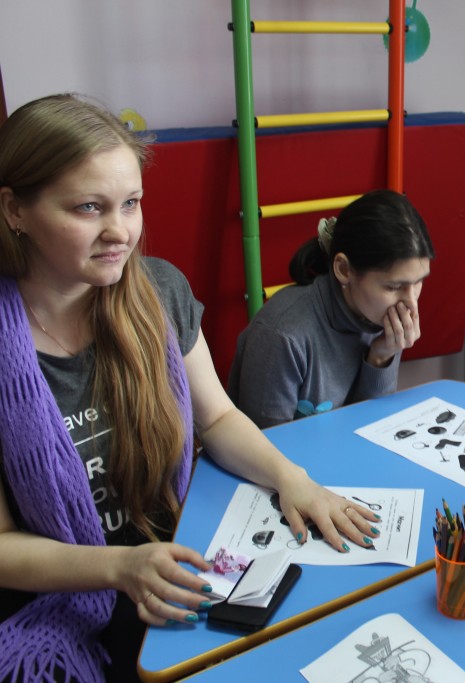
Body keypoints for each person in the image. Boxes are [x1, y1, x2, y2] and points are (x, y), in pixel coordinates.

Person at [0, 93, 381, 683]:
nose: (119, 231)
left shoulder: (159, 291)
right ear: (15, 210)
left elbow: (218, 419)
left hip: (172, 555)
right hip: (64, 595)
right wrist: (121, 567)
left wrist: (292, 479)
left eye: (131, 204)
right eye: (88, 208)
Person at [228, 189, 433, 428]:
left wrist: (381, 357)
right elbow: (266, 446)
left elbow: (372, 428)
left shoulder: (378, 316)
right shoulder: (281, 336)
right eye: (394, 287)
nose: (411, 303)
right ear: (344, 270)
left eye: (419, 282)